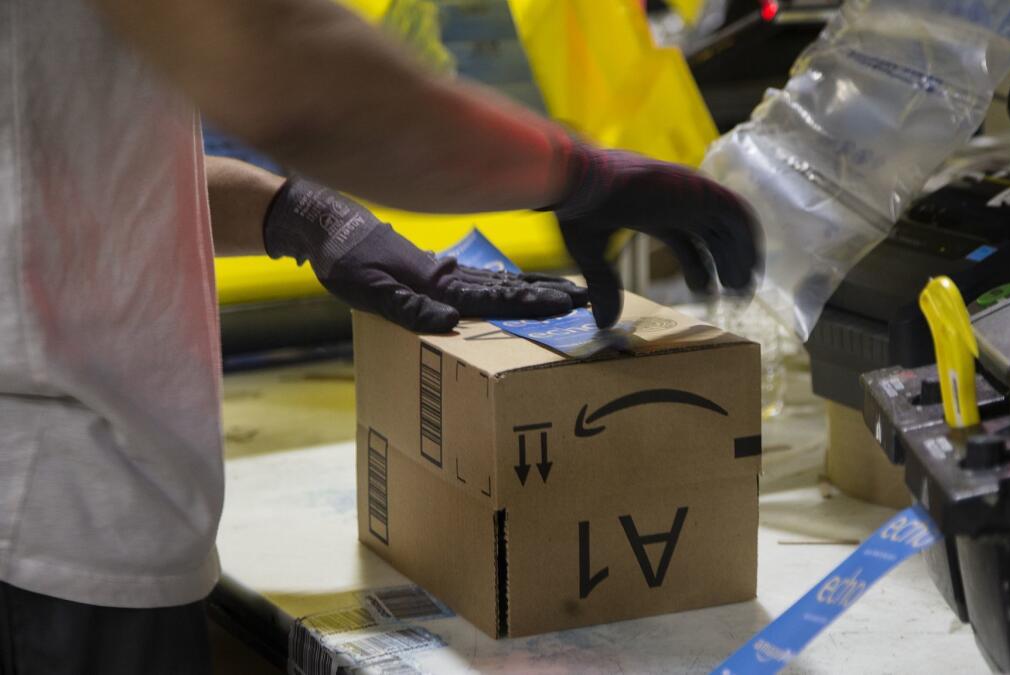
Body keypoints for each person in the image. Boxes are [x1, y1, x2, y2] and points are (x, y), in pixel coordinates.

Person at [0, 0, 761, 672]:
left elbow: (69, 166)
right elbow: (276, 60)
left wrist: (295, 214)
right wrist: (571, 169)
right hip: (51, 538)